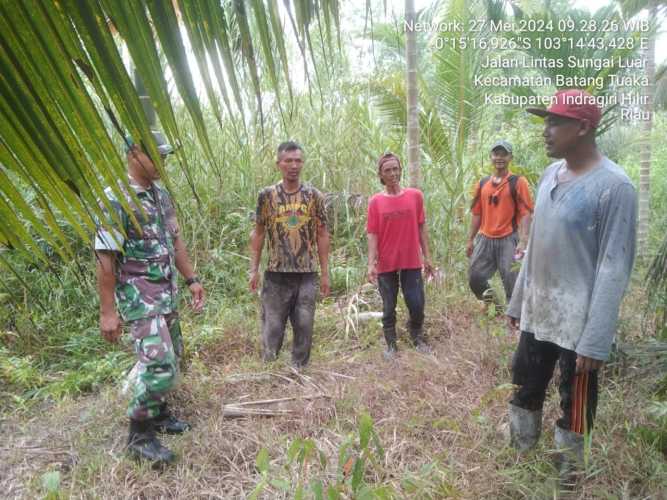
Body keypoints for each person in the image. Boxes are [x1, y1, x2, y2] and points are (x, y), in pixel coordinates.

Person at [506, 89, 637, 479]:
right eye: (545, 121)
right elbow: (535, 248)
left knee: (576, 401)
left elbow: (614, 266)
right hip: (540, 311)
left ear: (582, 127)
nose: (546, 130)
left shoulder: (615, 187)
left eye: (554, 122)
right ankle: (520, 459)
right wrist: (517, 303)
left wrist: (596, 338)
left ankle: (569, 476)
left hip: (579, 322)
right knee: (525, 385)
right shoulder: (550, 176)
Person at [95, 131, 205, 466]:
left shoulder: (160, 196)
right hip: (140, 301)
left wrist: (192, 279)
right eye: (157, 156)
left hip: (166, 295)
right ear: (134, 153)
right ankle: (139, 435)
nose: (163, 163)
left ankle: (158, 414)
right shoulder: (117, 199)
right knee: (159, 366)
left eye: (165, 156)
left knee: (174, 357)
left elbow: (176, 241)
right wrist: (107, 311)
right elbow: (105, 258)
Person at [249, 141, 330, 368]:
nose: (294, 165)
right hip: (276, 274)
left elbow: (322, 234)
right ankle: (270, 370)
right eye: (288, 161)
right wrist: (253, 270)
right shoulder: (267, 196)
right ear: (279, 164)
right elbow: (258, 233)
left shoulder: (314, 196)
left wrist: (325, 273)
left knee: (304, 325)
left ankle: (299, 369)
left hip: (306, 273)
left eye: (298, 161)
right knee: (272, 327)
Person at [367, 153, 434, 358]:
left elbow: (422, 227)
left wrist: (428, 257)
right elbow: (372, 233)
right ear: (380, 174)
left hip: (411, 260)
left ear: (400, 169)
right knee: (389, 306)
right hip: (386, 262)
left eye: (395, 168)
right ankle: (391, 345)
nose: (393, 173)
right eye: (387, 170)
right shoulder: (375, 202)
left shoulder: (415, 196)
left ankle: (416, 336)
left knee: (416, 303)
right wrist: (371, 263)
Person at [467, 140, 533, 309]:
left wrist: (524, 240)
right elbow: (476, 213)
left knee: (512, 281)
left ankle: (513, 319)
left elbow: (526, 213)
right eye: (496, 154)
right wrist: (470, 239)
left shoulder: (518, 182)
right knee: (475, 278)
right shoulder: (482, 184)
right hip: (485, 238)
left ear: (510, 157)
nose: (499, 158)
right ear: (491, 157)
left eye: (504, 154)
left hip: (508, 239)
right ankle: (494, 307)